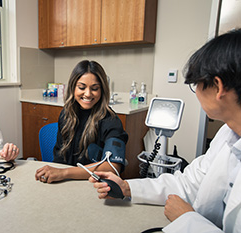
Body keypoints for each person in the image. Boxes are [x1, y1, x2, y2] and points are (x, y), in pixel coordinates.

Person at [90, 29, 241, 232]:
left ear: (217, 86)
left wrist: (188, 219)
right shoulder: (226, 135)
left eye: (196, 84)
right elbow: (188, 183)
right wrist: (127, 187)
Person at [35, 60, 128, 183]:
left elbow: (113, 167)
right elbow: (59, 158)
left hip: (92, 184)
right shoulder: (66, 115)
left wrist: (64, 173)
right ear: (73, 88)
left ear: (102, 90)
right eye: (82, 87)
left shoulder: (111, 121)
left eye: (95, 88)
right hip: (65, 182)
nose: (88, 94)